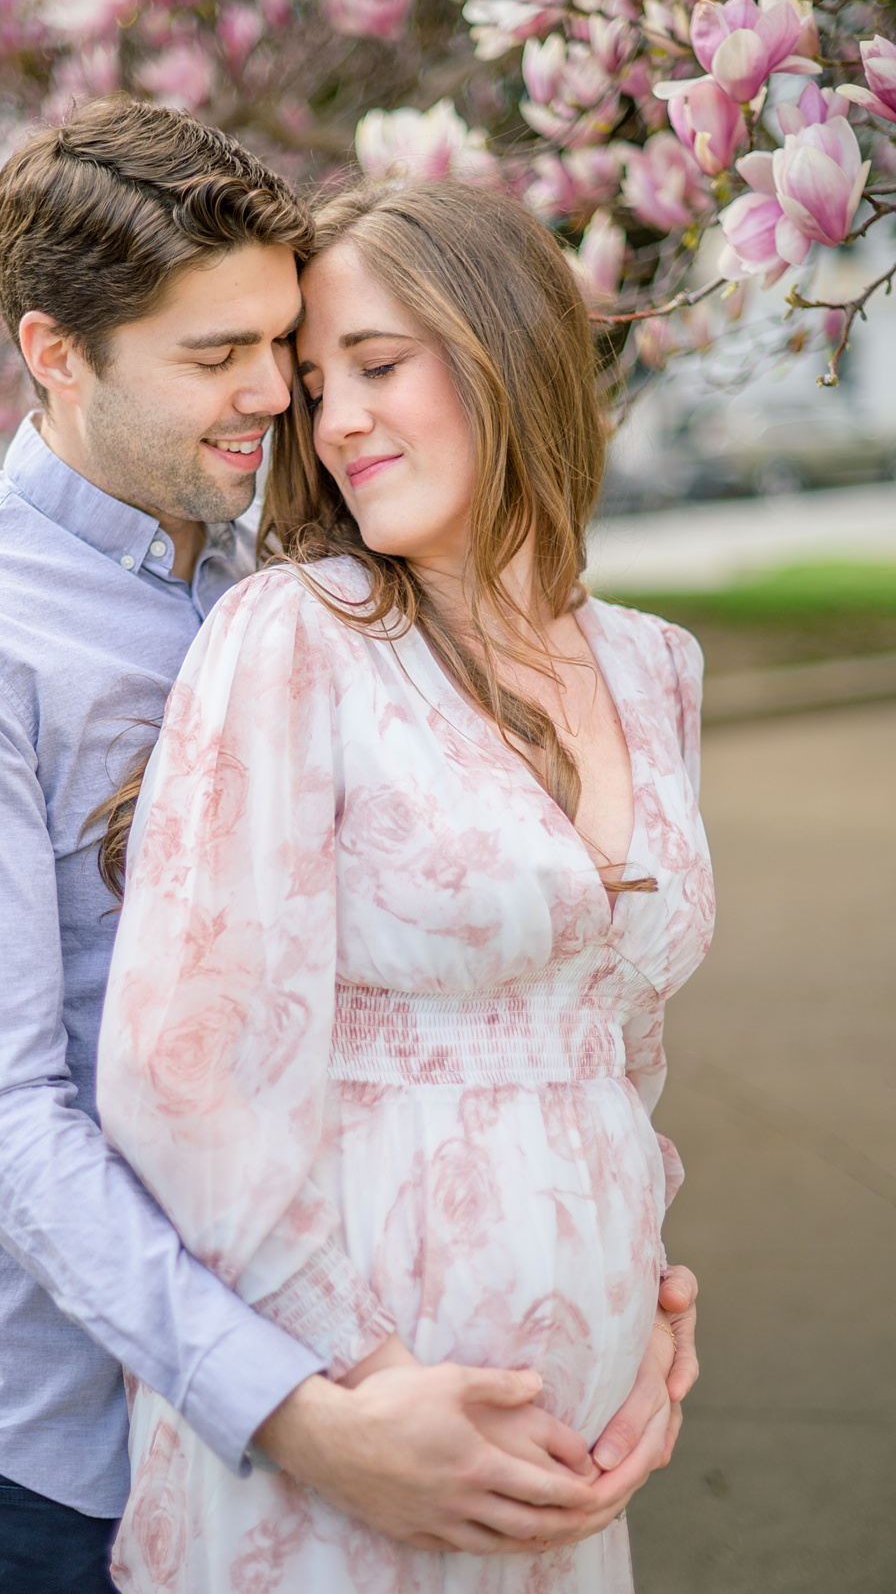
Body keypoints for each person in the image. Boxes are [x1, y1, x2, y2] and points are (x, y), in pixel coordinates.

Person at [0, 97, 696, 1594]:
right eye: (214, 360)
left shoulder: (305, 568)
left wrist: (618, 1270)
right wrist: (295, 1409)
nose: (275, 402)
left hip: (380, 1414)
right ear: (56, 355)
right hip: (45, 1447)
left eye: (280, 352)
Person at [96, 176, 711, 1590]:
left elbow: (618, 1044)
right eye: (317, 388)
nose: (339, 420)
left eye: (377, 367)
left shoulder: (654, 668)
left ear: (509, 348)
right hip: (360, 1447)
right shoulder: (297, 640)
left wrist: (650, 1294)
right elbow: (186, 1073)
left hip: (577, 1458)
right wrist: (361, 1399)